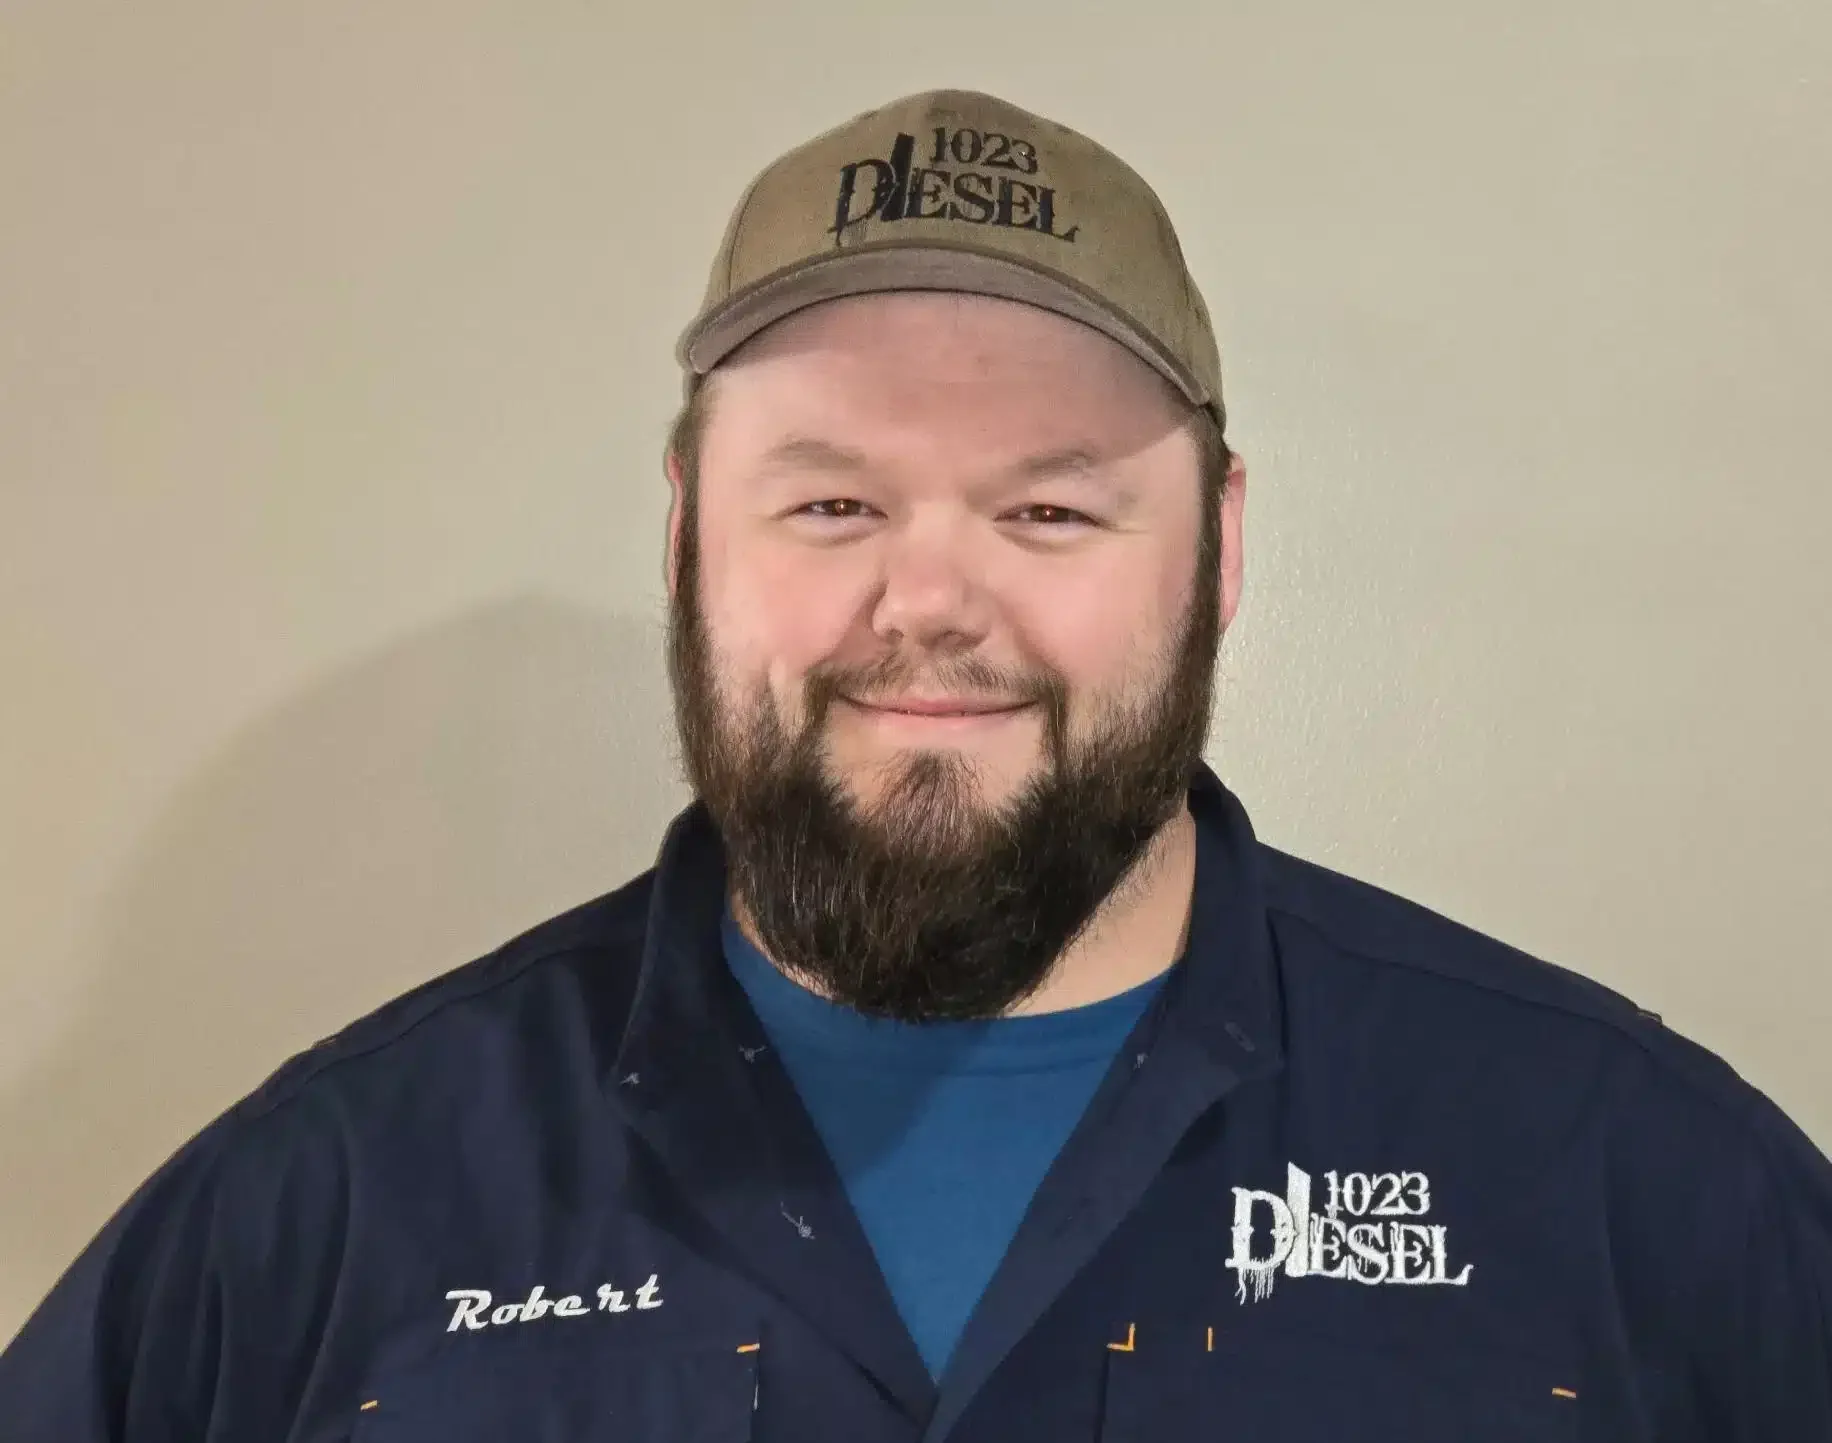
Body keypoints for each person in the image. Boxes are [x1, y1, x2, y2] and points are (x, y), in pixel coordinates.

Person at [2, 86, 1827, 1443]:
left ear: (1225, 548)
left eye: (1049, 504)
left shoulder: (1631, 1189)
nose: (930, 598)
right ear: (685, 535)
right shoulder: (316, 1218)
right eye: (830, 499)